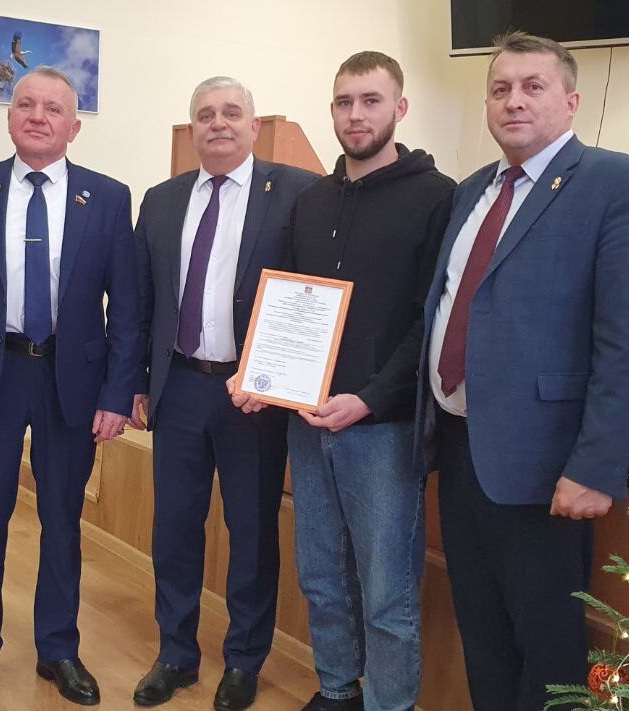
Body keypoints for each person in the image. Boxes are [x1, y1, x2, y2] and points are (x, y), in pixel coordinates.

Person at [414, 31, 629, 711]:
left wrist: (597, 467)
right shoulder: (471, 191)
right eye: (500, 89)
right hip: (460, 450)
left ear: (571, 101)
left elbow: (628, 342)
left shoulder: (619, 183)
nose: (514, 101)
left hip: (548, 465)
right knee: (483, 632)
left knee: (548, 644)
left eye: (533, 87)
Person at [233, 51, 455, 711]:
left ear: (399, 108)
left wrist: (370, 398)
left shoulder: (437, 197)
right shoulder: (312, 199)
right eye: (343, 101)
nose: (355, 115)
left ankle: (389, 703)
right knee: (322, 576)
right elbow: (287, 303)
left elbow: (432, 321)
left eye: (370, 100)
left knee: (386, 592)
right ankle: (336, 689)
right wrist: (262, 374)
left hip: (382, 430)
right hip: (307, 422)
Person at [0, 66, 140, 711]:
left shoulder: (108, 197)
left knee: (62, 521)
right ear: (10, 116)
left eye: (53, 108)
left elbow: (126, 309)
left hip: (71, 379)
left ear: (74, 127)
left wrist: (116, 394)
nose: (38, 116)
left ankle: (59, 649)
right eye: (26, 105)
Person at [130, 76, 317, 711]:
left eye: (231, 113)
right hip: (179, 386)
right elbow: (142, 300)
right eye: (206, 114)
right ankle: (175, 654)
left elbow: (308, 293)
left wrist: (277, 376)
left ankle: (243, 660)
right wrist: (138, 382)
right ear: (193, 128)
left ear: (254, 125)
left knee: (253, 533)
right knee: (174, 527)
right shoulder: (162, 200)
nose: (218, 124)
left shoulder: (297, 192)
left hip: (252, 396)